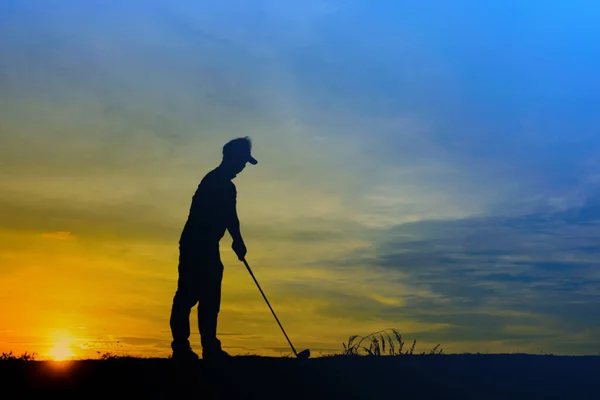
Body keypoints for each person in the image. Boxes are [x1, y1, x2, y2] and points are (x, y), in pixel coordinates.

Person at [169, 137, 257, 361]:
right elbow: (229, 217)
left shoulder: (223, 184)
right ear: (231, 158)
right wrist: (237, 241)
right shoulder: (217, 182)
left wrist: (237, 241)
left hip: (207, 245)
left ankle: (208, 347)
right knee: (189, 296)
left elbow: (230, 217)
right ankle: (182, 348)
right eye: (242, 161)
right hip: (196, 244)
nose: (243, 167)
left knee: (209, 297)